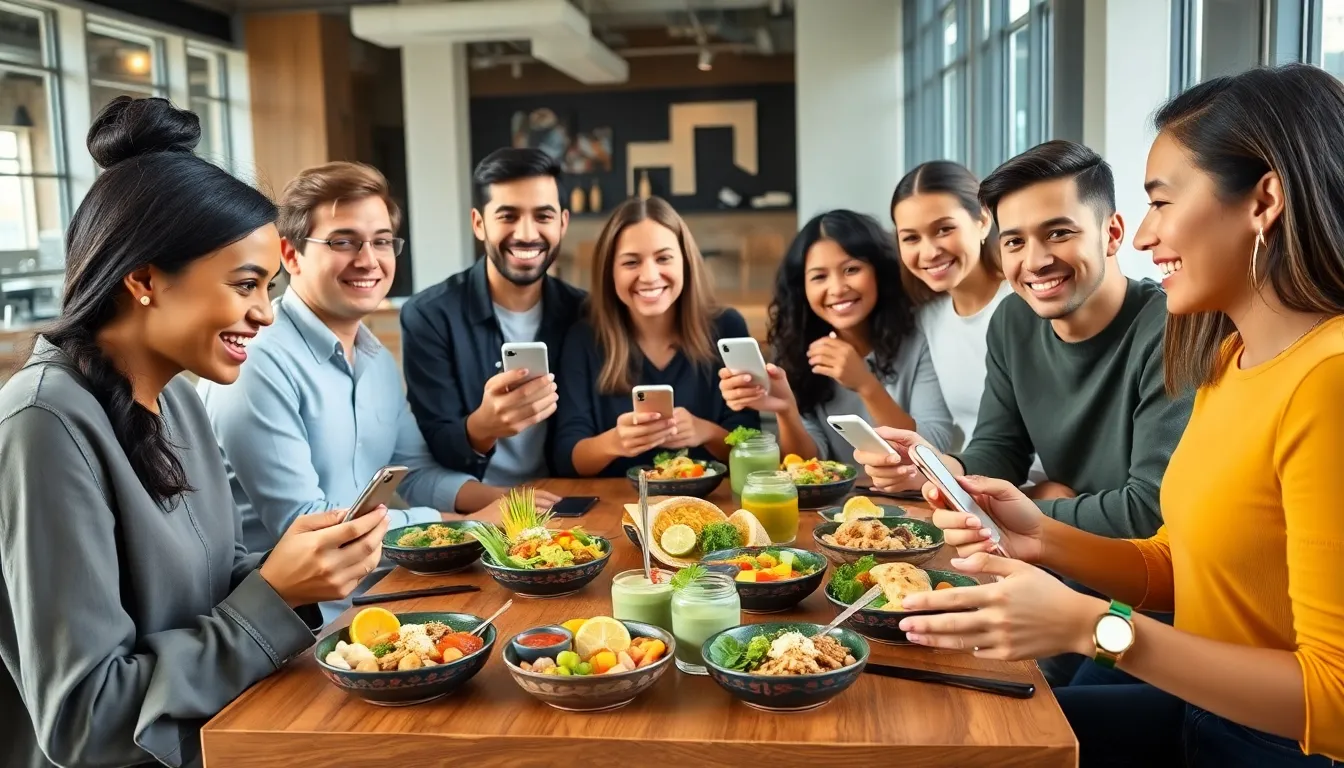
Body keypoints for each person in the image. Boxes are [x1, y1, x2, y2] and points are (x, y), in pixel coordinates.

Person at [893, 64, 1344, 767]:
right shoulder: (1230, 359)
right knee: (956, 737)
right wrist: (1038, 536)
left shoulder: (1330, 381)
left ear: (1265, 200)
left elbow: (1335, 703)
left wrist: (1093, 627)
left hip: (1276, 743)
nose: (1144, 236)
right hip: (1201, 705)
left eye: (1163, 202)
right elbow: (1183, 563)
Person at [0, 98, 387, 768]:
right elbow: (83, 722)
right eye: (245, 285)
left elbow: (211, 588)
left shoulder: (176, 399)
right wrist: (274, 594)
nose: (265, 314)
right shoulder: (43, 427)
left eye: (268, 286)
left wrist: (299, 576)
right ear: (145, 278)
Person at [198, 162, 502, 625]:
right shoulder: (258, 359)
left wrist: (501, 500)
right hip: (288, 630)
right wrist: (460, 526)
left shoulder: (376, 358)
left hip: (377, 594)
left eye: (381, 241)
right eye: (343, 242)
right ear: (291, 254)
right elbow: (306, 523)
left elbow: (414, 470)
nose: (368, 259)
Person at [859, 141, 1192, 539]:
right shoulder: (1014, 319)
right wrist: (936, 467)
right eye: (1015, 241)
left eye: (1058, 233)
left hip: (1137, 582)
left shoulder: (1172, 328)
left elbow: (1147, 510)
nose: (1035, 262)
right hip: (1049, 555)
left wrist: (1005, 510)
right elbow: (1000, 448)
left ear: (1112, 233)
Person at [400, 148, 585, 489]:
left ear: (562, 223)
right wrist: (483, 426)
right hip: (475, 506)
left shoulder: (585, 314)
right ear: (479, 223)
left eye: (543, 216)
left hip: (571, 499)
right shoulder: (429, 316)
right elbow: (437, 448)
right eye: (508, 216)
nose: (527, 233)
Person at [719, 209, 953, 460]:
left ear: (879, 271)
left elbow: (934, 445)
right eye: (819, 276)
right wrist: (785, 410)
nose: (837, 289)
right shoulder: (797, 350)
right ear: (803, 289)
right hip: (842, 499)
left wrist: (865, 384)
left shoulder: (919, 337)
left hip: (916, 495)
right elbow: (809, 460)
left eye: (851, 269)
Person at [554, 196, 759, 477]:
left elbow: (755, 452)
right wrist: (614, 443)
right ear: (609, 272)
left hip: (711, 506)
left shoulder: (726, 328)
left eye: (663, 258)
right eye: (631, 263)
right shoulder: (584, 339)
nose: (649, 276)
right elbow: (567, 459)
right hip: (615, 508)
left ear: (685, 262)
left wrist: (706, 433)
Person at [892, 160, 1044, 483]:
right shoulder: (928, 318)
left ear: (983, 220)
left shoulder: (1032, 301)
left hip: (1054, 493)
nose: (929, 251)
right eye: (911, 238)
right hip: (981, 483)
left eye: (944, 229)